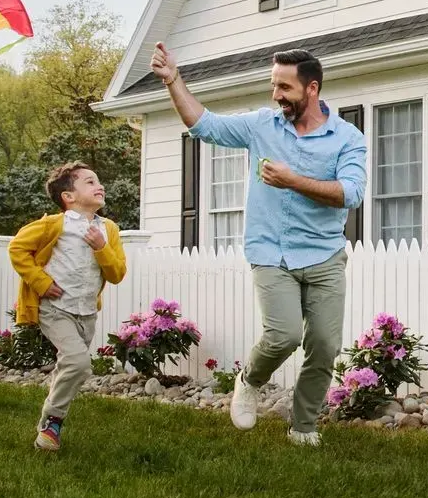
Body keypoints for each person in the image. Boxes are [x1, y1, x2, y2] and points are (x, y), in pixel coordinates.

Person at [150, 42, 367, 445]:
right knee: (283, 335)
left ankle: (303, 427)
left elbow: (351, 193)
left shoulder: (347, 139)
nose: (276, 95)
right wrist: (173, 81)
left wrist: (292, 181)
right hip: (272, 253)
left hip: (324, 255)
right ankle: (249, 381)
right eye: (274, 85)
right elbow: (204, 124)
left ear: (312, 89)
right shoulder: (262, 126)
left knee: (323, 344)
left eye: (284, 87)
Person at [7, 163, 128, 452]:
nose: (99, 186)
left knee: (69, 365)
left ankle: (50, 417)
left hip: (86, 312)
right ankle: (52, 423)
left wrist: (101, 247)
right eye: (89, 182)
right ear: (68, 197)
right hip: (54, 308)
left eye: (98, 181)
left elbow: (117, 274)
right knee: (78, 363)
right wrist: (41, 282)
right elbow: (17, 248)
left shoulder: (108, 229)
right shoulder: (53, 225)